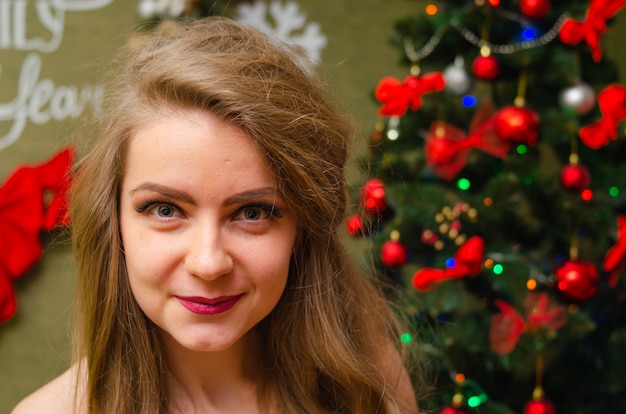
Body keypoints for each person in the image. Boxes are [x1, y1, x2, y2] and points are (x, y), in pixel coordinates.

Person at [13, 17, 420, 413]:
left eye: (253, 212)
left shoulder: (369, 385)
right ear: (113, 222)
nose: (208, 264)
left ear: (303, 227)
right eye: (166, 210)